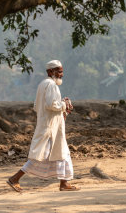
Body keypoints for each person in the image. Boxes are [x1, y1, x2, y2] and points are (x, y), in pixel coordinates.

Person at [6, 59, 80, 192]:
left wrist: (61, 105)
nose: (61, 74)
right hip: (50, 128)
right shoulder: (51, 85)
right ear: (50, 71)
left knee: (63, 153)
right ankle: (14, 178)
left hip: (51, 125)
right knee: (39, 157)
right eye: (59, 71)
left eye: (62, 72)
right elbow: (51, 105)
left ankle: (64, 183)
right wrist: (64, 105)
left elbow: (37, 106)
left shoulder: (43, 84)